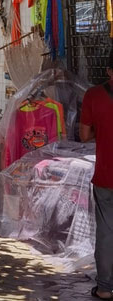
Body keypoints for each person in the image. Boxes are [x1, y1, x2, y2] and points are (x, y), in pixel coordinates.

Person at [81, 50, 113, 300]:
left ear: (108, 70)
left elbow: (84, 135)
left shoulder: (94, 95)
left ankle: (104, 287)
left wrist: (100, 131)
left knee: (106, 231)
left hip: (106, 176)